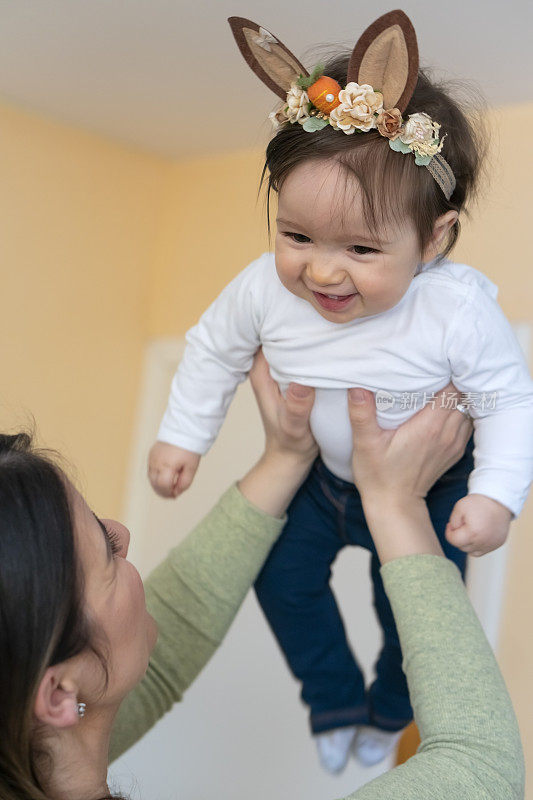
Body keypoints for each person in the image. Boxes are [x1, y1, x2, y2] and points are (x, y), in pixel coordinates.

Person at [146, 10, 533, 770]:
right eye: (297, 238)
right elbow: (212, 350)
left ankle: (390, 708)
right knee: (280, 583)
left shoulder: (454, 310)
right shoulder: (262, 289)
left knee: (414, 616)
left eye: (359, 249)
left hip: (428, 488)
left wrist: (495, 495)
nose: (322, 272)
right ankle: (331, 699)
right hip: (320, 484)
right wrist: (182, 435)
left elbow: (507, 400)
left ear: (433, 240)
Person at [0, 355, 524, 799]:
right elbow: (480, 768)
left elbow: (172, 635)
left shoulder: (32, 745)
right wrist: (396, 502)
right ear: (58, 695)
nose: (121, 532)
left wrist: (288, 455)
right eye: (106, 550)